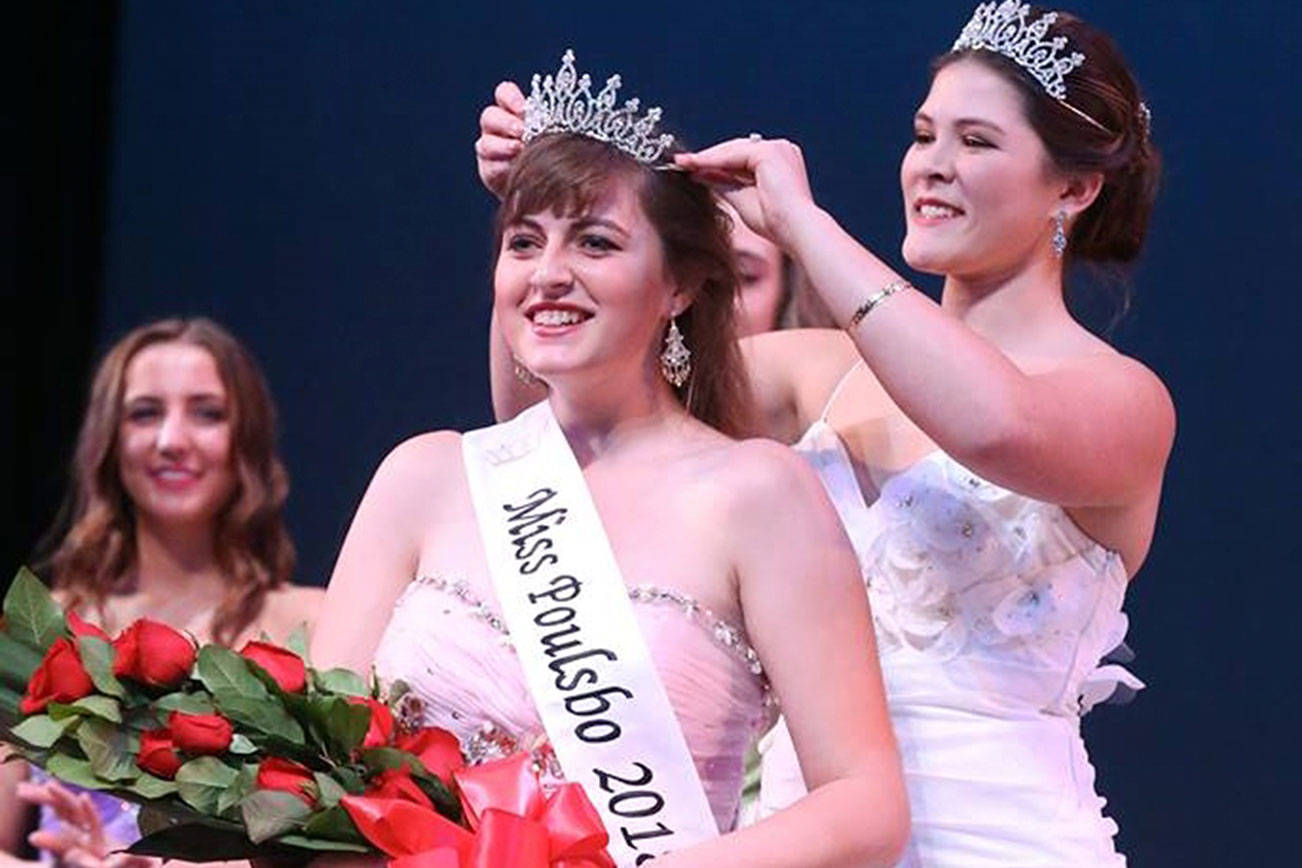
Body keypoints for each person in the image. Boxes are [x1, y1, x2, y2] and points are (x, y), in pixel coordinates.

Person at [476, 5, 1172, 864]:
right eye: (924, 136)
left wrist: (803, 224)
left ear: (1073, 188)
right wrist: (544, 222)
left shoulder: (1120, 399)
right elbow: (549, 442)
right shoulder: (813, 373)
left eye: (977, 143)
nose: (932, 167)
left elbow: (993, 427)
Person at [313, 52, 907, 866]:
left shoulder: (758, 494)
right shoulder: (426, 477)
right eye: (525, 242)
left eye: (595, 242)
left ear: (680, 288)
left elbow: (866, 806)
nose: (549, 275)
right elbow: (311, 754)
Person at [1, 317, 324, 867]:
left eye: (207, 413)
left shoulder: (312, 621)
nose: (172, 440)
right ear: (109, 439)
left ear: (246, 437)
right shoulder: (42, 629)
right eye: (145, 413)